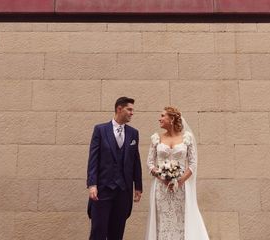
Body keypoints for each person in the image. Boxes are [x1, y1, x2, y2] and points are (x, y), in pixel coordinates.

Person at [145, 106, 209, 240]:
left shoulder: (187, 138)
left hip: (181, 188)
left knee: (181, 219)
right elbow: (150, 163)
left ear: (172, 119)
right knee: (163, 220)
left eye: (163, 116)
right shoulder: (156, 138)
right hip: (161, 189)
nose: (159, 119)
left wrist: (179, 181)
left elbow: (192, 164)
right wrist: (162, 177)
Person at [87, 96, 143, 240]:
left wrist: (138, 186)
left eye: (132, 110)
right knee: (98, 232)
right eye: (129, 109)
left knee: (117, 233)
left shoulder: (133, 133)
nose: (132, 113)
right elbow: (93, 159)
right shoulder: (100, 130)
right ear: (119, 109)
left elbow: (136, 160)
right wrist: (92, 184)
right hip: (102, 189)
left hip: (123, 191)